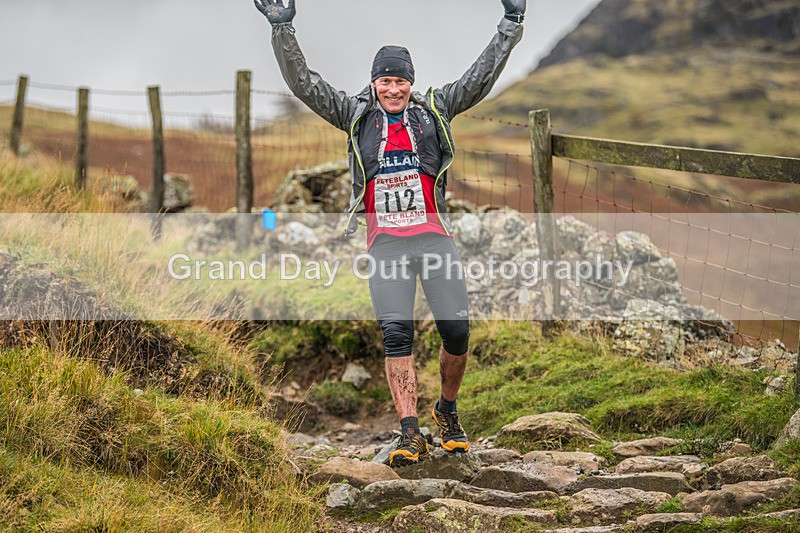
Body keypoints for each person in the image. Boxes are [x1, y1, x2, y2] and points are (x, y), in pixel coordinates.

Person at [254, 0, 525, 467]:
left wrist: (512, 23)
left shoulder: (435, 109)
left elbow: (480, 77)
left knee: (456, 331)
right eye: (385, 80)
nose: (393, 88)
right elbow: (304, 85)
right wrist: (284, 30)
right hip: (386, 245)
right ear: (374, 82)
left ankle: (447, 410)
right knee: (396, 335)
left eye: (400, 80)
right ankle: (409, 431)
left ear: (410, 83)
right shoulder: (355, 114)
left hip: (434, 238)